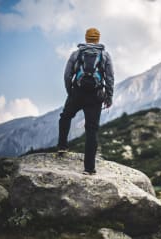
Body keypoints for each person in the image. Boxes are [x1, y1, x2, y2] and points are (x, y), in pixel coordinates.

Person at [57, 28, 114, 175]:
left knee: (65, 116)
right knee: (91, 130)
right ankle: (89, 169)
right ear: (98, 39)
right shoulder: (105, 55)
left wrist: (71, 92)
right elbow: (110, 77)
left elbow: (67, 74)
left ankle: (62, 146)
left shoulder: (77, 54)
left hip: (78, 92)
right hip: (95, 95)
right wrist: (108, 96)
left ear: (86, 38)